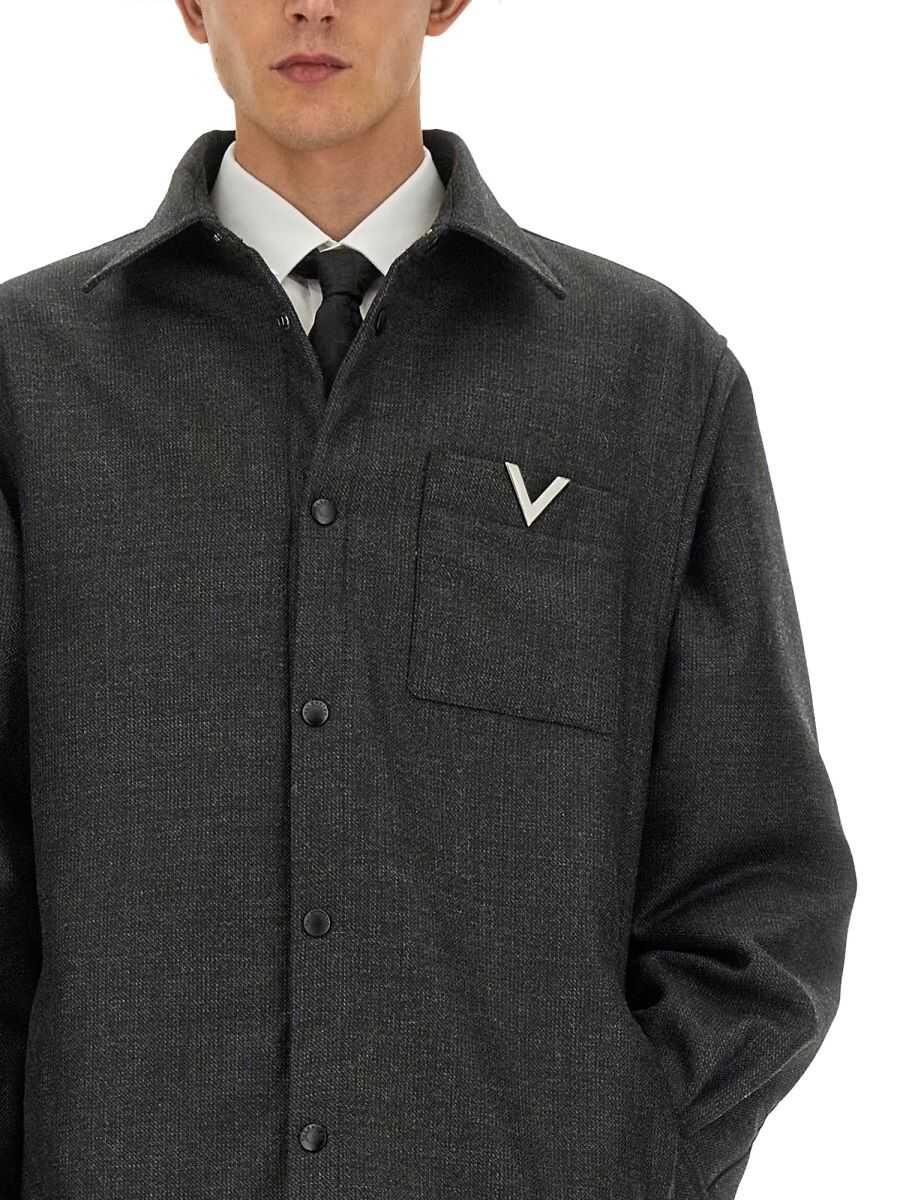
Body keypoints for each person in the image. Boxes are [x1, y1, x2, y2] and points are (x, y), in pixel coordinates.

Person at [0, 2, 856, 1198]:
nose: (311, 5)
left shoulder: (651, 376)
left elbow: (761, 875)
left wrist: (638, 1154)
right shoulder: (26, 377)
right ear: (189, 3)